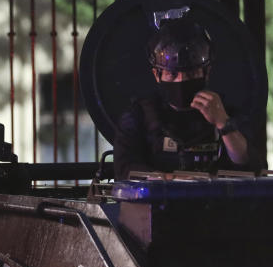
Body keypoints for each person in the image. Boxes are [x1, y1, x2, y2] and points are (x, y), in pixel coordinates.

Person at [113, 13, 264, 180]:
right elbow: (125, 169)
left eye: (191, 74)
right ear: (157, 74)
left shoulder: (225, 110)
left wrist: (223, 123)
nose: (181, 81)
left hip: (215, 203)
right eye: (172, 74)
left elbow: (250, 166)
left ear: (206, 72)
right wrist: (176, 180)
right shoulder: (139, 115)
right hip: (157, 204)